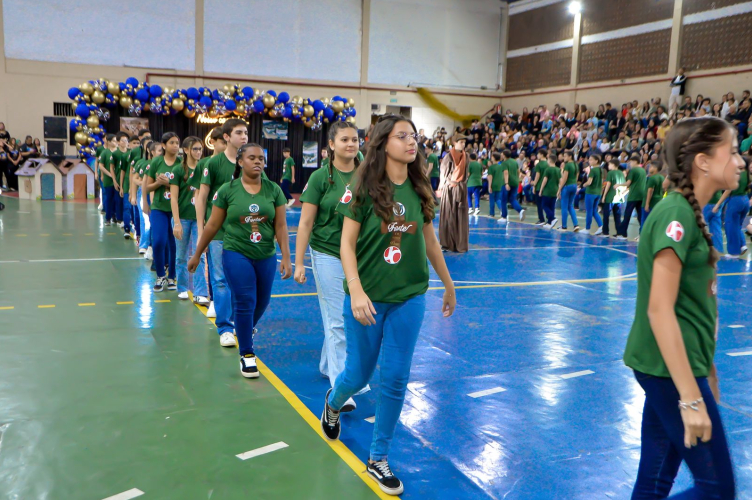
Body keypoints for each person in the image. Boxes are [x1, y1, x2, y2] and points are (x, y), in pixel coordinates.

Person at [319, 115, 455, 496]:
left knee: (395, 378)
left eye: (413, 136)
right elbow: (346, 245)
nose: (412, 142)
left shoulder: (419, 186)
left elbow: (430, 241)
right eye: (402, 136)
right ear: (383, 143)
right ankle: (333, 402)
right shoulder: (362, 187)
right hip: (367, 299)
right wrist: (356, 290)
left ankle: (378, 457)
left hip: (409, 298)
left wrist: (448, 283)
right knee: (357, 375)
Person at [624, 116, 740, 499]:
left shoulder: (689, 213)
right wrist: (690, 397)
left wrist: (707, 368)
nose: (741, 161)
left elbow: (693, 306)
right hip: (669, 372)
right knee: (717, 490)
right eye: (732, 152)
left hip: (678, 366)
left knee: (655, 480)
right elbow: (660, 309)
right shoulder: (676, 214)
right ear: (703, 162)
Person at [189, 143, 292, 378]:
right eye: (252, 158)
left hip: (266, 254)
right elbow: (213, 225)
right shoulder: (228, 190)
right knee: (245, 300)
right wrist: (197, 253)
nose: (258, 162)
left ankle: (243, 327)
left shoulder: (274, 190)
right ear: (240, 161)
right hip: (236, 252)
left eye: (261, 159)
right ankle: (247, 354)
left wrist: (286, 257)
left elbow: (281, 226)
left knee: (262, 301)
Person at [295, 121, 368, 412]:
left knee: (349, 316)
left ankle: (329, 364)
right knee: (337, 318)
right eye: (345, 140)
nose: (351, 144)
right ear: (331, 145)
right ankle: (341, 386)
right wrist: (299, 262)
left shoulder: (368, 174)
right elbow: (305, 223)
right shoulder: (319, 178)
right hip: (327, 252)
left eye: (355, 139)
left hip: (359, 255)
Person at [196, 119, 248, 346]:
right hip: (218, 232)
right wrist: (202, 232)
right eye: (239, 133)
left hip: (242, 232)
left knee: (239, 280)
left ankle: (238, 322)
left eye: (246, 133)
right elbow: (202, 198)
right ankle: (225, 327)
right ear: (226, 137)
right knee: (219, 279)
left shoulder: (249, 161)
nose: (244, 137)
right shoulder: (214, 163)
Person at [170, 136, 209, 303]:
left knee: (200, 254)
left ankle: (200, 292)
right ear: (186, 150)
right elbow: (173, 198)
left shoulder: (205, 168)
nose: (198, 152)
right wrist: (177, 222)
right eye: (195, 149)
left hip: (199, 220)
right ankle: (182, 287)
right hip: (183, 218)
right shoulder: (178, 170)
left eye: (200, 149)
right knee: (181, 256)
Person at [144, 132, 181, 292]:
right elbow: (147, 187)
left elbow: (185, 187)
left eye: (177, 143)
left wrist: (169, 183)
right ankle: (160, 275)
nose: (175, 146)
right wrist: (159, 183)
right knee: (158, 241)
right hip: (159, 208)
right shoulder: (157, 162)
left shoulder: (181, 163)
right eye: (172, 142)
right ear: (164, 145)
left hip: (176, 209)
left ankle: (172, 276)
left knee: (174, 244)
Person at [439, 133, 470, 253]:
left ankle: (459, 244)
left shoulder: (466, 156)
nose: (463, 144)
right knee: (449, 215)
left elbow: (466, 173)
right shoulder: (448, 157)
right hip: (450, 189)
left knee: (460, 217)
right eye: (461, 142)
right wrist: (443, 186)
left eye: (464, 142)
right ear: (454, 143)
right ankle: (447, 244)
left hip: (461, 189)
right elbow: (443, 174)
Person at [719, 157, 750, 257]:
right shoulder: (747, 174)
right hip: (745, 200)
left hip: (735, 201)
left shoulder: (737, 174)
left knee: (731, 226)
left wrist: (718, 203)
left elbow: (728, 190)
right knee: (738, 225)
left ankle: (733, 252)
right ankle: (742, 244)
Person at [617, 155, 647, 240]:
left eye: (631, 162)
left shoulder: (633, 170)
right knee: (640, 215)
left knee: (627, 214)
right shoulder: (643, 170)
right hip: (641, 195)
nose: (630, 163)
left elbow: (628, 183)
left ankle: (623, 233)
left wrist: (618, 185)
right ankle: (643, 233)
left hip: (633, 195)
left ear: (635, 162)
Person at [500, 149, 525, 223]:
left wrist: (506, 183)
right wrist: (518, 179)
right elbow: (518, 172)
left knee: (503, 200)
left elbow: (506, 173)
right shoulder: (515, 162)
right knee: (512, 199)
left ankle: (504, 216)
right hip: (515, 182)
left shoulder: (504, 163)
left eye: (502, 154)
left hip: (508, 182)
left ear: (504, 155)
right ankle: (520, 210)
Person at [98, 134, 118, 225]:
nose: (115, 142)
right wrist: (109, 174)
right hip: (108, 180)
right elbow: (101, 166)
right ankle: (108, 218)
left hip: (118, 180)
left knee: (117, 199)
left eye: (116, 140)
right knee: (109, 198)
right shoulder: (105, 152)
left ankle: (116, 216)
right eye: (113, 141)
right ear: (109, 142)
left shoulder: (119, 152)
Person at [557, 150, 579, 231]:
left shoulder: (567, 165)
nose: (564, 158)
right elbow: (576, 177)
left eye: (565, 156)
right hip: (574, 185)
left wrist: (559, 189)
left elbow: (564, 178)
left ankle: (564, 226)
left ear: (570, 156)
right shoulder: (576, 165)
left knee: (564, 207)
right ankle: (576, 224)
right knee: (570, 206)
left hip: (567, 186)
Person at [538, 153, 561, 229]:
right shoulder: (558, 169)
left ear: (550, 160)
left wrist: (541, 190)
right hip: (555, 190)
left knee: (544, 205)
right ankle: (549, 222)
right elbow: (560, 180)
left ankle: (552, 218)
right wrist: (559, 190)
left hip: (547, 191)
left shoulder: (548, 169)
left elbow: (544, 180)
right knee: (552, 206)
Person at [582, 154, 604, 234]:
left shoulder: (593, 170)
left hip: (591, 192)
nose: (589, 161)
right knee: (594, 211)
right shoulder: (601, 170)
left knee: (589, 211)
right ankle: (601, 226)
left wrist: (584, 185)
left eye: (591, 160)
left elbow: (589, 182)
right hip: (598, 192)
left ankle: (587, 228)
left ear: (596, 161)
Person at [531, 150, 548, 225]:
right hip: (547, 186)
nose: (537, 155)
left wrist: (534, 185)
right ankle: (549, 217)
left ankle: (541, 219)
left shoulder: (539, 165)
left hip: (539, 186)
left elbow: (537, 176)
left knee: (539, 204)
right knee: (546, 203)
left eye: (538, 154)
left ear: (542, 154)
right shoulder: (548, 164)